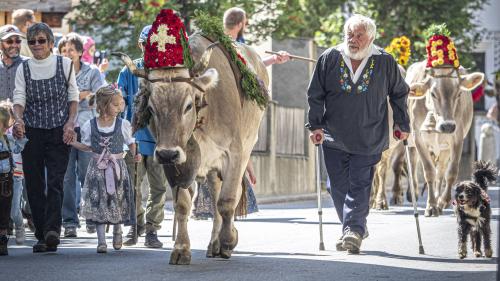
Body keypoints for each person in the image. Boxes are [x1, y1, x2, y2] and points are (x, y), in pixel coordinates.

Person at [306, 14, 410, 254]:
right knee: (335, 185)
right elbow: (315, 94)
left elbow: (399, 93)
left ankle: (353, 230)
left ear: (370, 37)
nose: (352, 40)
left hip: (369, 134)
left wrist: (402, 124)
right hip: (334, 135)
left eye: (358, 35)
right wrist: (315, 125)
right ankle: (356, 225)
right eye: (349, 35)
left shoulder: (385, 61)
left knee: (360, 184)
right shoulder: (330, 58)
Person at [12, 22, 79, 253]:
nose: (37, 45)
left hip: (59, 129)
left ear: (51, 43)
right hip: (32, 130)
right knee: (34, 184)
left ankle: (53, 230)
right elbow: (19, 98)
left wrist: (70, 123)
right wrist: (18, 120)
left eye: (41, 40)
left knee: (55, 182)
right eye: (32, 41)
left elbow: (73, 97)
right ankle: (41, 234)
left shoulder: (65, 64)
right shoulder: (24, 68)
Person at [117, 25, 170, 248]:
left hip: (160, 140)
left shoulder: (168, 72)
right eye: (147, 44)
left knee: (158, 188)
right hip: (134, 140)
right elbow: (120, 104)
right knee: (132, 187)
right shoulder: (129, 70)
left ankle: (152, 230)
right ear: (141, 45)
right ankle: (135, 226)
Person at [70, 85, 139, 253]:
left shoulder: (123, 124)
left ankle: (117, 231)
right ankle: (101, 240)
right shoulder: (89, 125)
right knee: (99, 202)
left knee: (117, 199)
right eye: (116, 104)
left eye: (121, 104)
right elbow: (87, 146)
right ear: (103, 105)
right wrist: (73, 142)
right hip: (97, 170)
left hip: (117, 168)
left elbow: (130, 142)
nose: (120, 107)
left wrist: (135, 153)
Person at [58, 33, 105, 237]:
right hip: (65, 129)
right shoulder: (56, 72)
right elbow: (58, 99)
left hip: (87, 129)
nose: (67, 54)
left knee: (88, 174)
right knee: (67, 177)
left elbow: (102, 96)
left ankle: (92, 216)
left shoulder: (92, 71)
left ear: (79, 52)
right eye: (63, 51)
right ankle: (69, 221)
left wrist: (85, 95)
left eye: (71, 50)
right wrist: (81, 94)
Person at [0, 102, 28, 256]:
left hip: (12, 179)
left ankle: (18, 225)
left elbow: (19, 148)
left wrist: (21, 137)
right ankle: (2, 237)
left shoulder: (9, 139)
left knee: (12, 210)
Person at [223, 7, 290, 66]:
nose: (246, 27)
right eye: (245, 23)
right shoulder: (236, 45)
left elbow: (254, 66)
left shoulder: (239, 41)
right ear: (239, 25)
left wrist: (274, 58)